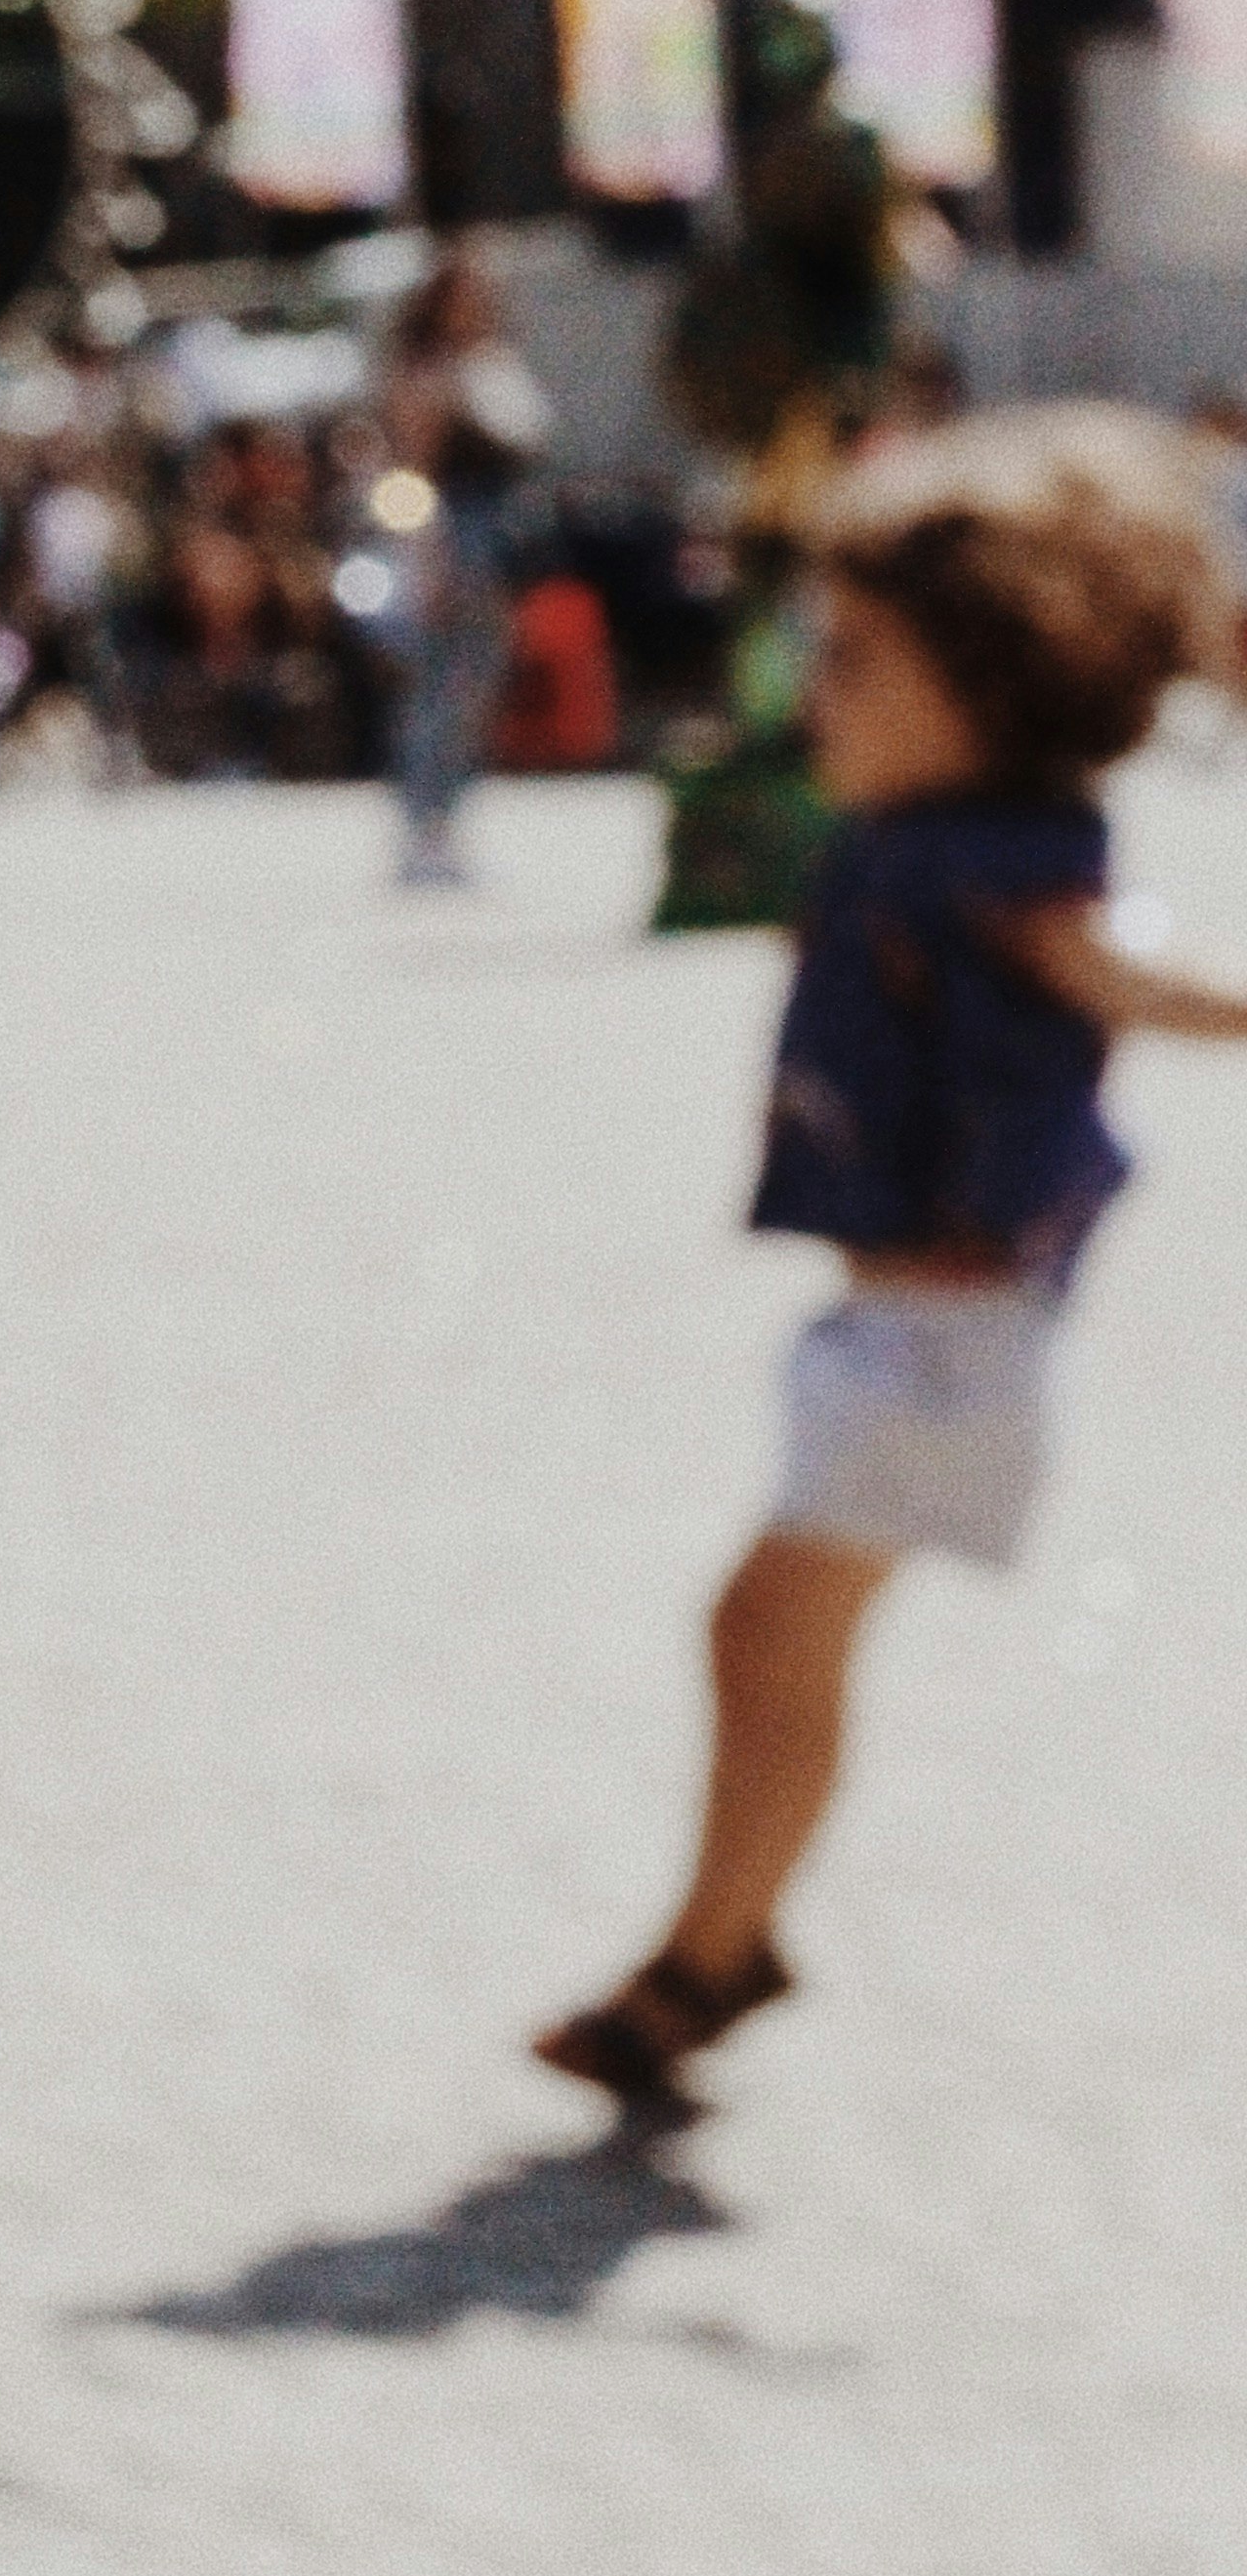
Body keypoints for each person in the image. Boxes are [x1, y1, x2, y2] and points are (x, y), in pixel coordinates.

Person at [534, 408, 1247, 2112]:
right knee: (767, 1631)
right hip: (903, 1335)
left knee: (769, 1627)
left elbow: (1131, 970)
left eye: (856, 660)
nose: (818, 692)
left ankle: (706, 1953)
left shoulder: (1006, 855)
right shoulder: (911, 842)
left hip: (950, 1346)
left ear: (993, 686)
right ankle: (719, 1943)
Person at [378, 244, 550, 883]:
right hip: (455, 535)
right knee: (440, 691)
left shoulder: (491, 364)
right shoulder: (428, 374)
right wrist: (423, 556)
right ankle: (423, 824)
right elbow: (414, 475)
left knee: (476, 689)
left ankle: (446, 821)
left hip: (498, 537)